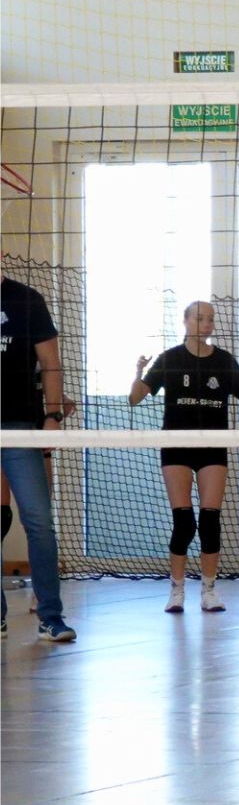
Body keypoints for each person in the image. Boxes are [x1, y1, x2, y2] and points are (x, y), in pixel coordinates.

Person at [129, 301, 239, 612]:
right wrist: (139, 371)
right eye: (199, 318)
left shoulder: (223, 361)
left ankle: (209, 590)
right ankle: (177, 590)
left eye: (210, 319)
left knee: (210, 522)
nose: (206, 324)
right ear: (185, 321)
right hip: (176, 447)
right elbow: (135, 398)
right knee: (184, 523)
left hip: (212, 448)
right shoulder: (170, 359)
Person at [0, 274, 76, 643]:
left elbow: (50, 362)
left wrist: (53, 416)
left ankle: (50, 616)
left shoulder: (27, 299)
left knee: (39, 521)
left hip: (20, 426)